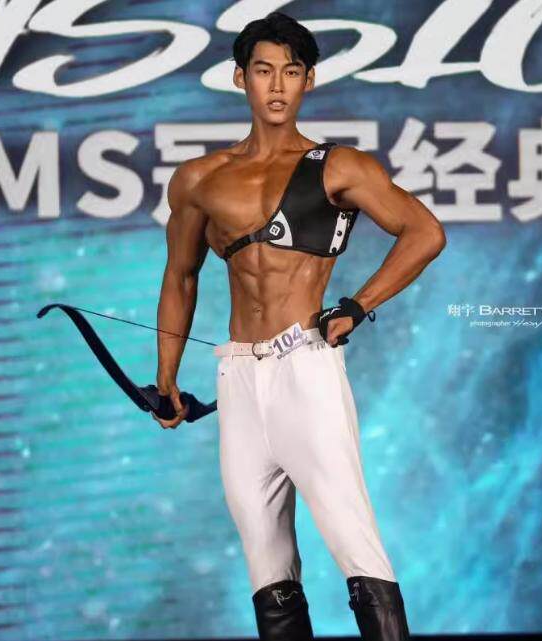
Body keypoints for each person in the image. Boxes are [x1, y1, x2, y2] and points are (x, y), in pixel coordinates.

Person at [152, 11, 446, 641]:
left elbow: (424, 232)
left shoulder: (339, 166)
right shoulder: (199, 179)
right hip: (237, 376)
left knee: (353, 540)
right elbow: (181, 277)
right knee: (267, 563)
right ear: (241, 78)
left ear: (308, 80)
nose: (277, 85)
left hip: (305, 366)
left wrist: (357, 306)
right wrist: (166, 378)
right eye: (264, 71)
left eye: (291, 71)